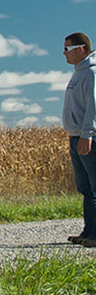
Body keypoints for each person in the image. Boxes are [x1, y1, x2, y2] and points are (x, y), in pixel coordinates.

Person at [64, 32, 96, 246]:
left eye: (67, 49)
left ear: (81, 49)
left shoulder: (91, 73)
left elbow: (93, 107)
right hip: (75, 137)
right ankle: (88, 232)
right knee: (85, 189)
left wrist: (88, 134)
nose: (64, 54)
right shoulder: (78, 73)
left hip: (87, 139)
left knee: (95, 188)